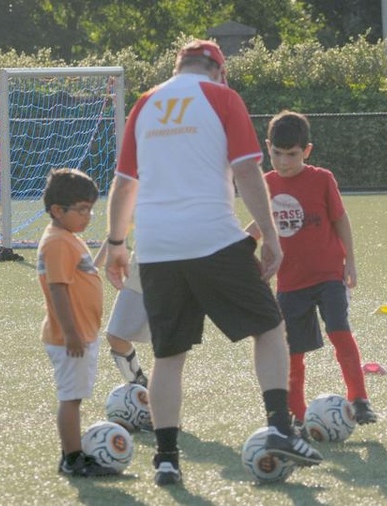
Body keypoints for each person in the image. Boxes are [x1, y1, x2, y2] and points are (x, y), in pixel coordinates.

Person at [105, 39, 322, 487]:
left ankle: (167, 459)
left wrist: (116, 243)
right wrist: (271, 237)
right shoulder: (223, 97)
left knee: (168, 356)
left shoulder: (145, 103)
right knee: (269, 327)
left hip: (158, 249)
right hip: (213, 240)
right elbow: (246, 172)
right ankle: (280, 428)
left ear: (177, 67)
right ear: (219, 71)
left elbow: (125, 183)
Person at [245, 111, 378, 428]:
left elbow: (340, 219)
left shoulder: (322, 179)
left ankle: (359, 399)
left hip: (328, 275)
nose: (284, 162)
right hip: (290, 282)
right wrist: (238, 245)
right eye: (277, 153)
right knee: (292, 351)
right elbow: (260, 225)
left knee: (339, 332)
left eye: (292, 154)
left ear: (307, 150)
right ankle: (298, 413)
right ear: (267, 147)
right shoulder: (267, 184)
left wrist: (350, 261)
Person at [38, 168, 117, 477]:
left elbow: (83, 274)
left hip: (81, 334)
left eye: (90, 209)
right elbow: (57, 289)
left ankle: (73, 455)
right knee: (70, 399)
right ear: (58, 210)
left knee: (75, 396)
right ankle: (72, 459)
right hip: (70, 338)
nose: (88, 216)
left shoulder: (67, 238)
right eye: (82, 210)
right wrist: (71, 333)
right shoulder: (57, 242)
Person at [94, 243, 149, 389]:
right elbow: (118, 231)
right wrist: (92, 270)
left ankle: (148, 391)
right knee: (116, 336)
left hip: (189, 261)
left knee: (170, 348)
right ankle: (140, 384)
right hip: (143, 267)